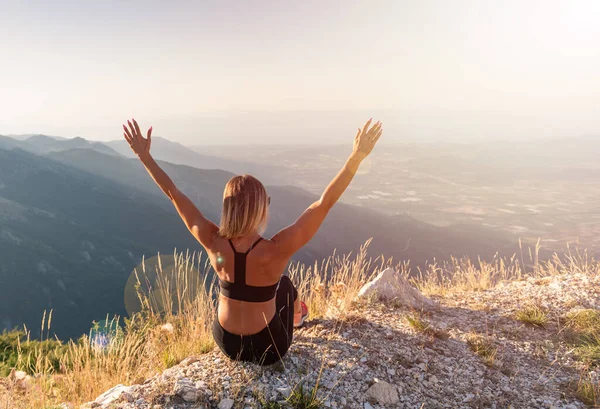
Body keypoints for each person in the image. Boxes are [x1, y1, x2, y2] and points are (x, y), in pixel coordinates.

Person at [122, 118, 383, 365]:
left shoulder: (213, 242)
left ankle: (291, 317)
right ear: (260, 209)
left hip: (226, 344)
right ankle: (297, 318)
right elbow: (324, 203)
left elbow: (173, 193)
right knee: (285, 286)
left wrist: (144, 157)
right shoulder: (277, 249)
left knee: (267, 287)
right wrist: (356, 157)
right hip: (268, 348)